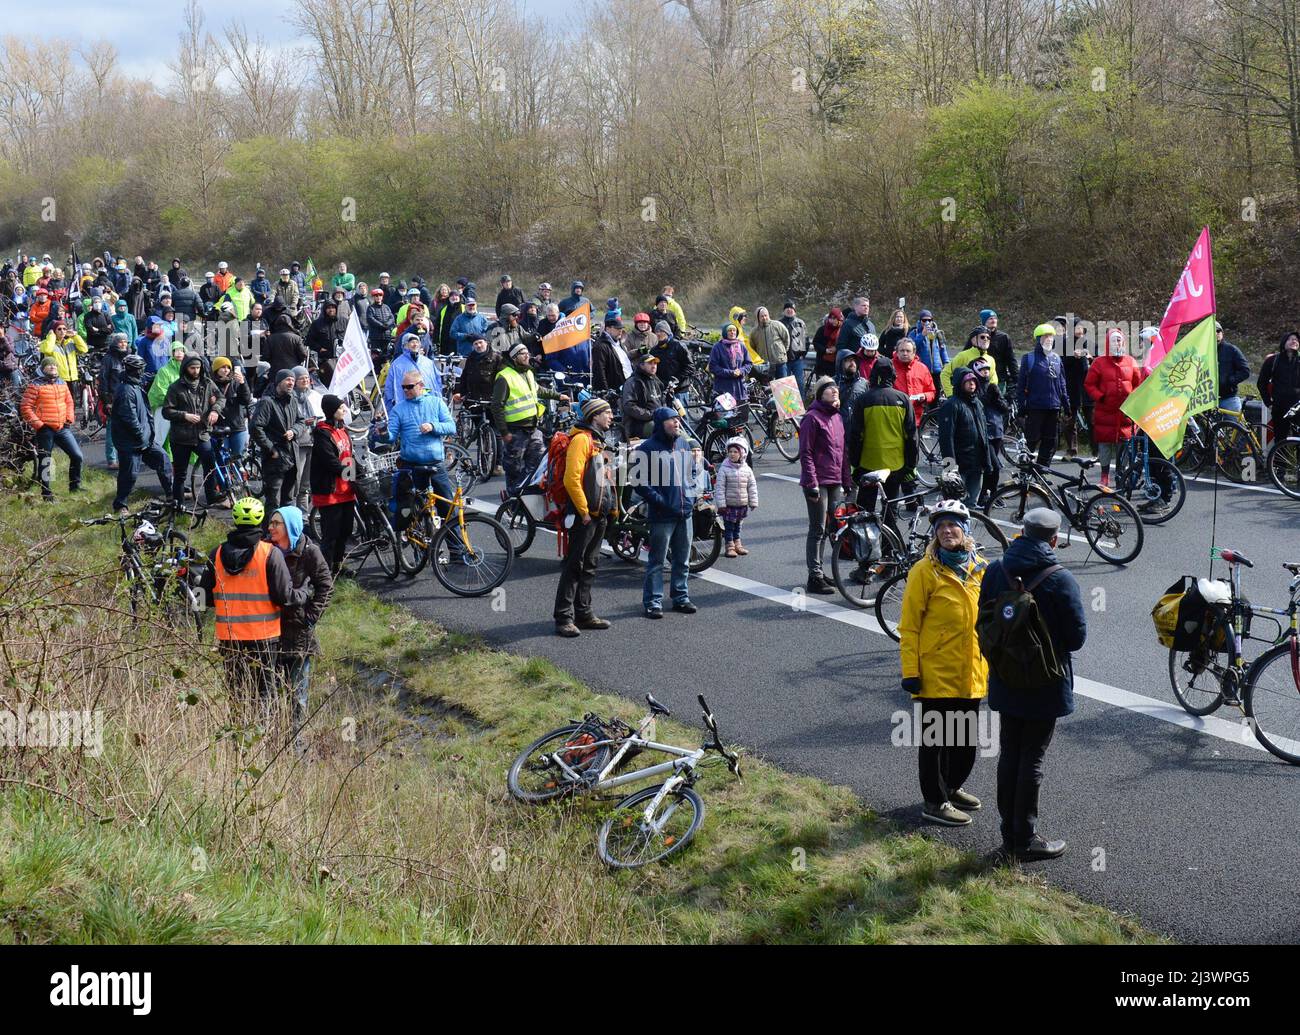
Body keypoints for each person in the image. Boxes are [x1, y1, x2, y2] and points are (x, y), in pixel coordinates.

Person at [979, 508, 1085, 861]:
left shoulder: (996, 570)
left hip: (1006, 677)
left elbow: (984, 621)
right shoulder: (1061, 578)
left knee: (1009, 753)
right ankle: (1024, 840)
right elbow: (1075, 639)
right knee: (1032, 758)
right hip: (1045, 682)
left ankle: (1008, 833)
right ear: (1054, 539)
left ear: (1021, 532)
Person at [898, 500, 988, 827]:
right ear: (935, 534)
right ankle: (934, 802)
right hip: (935, 671)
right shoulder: (924, 572)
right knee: (936, 741)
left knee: (963, 741)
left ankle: (951, 786)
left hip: (971, 669)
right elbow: (909, 626)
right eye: (941, 527)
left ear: (965, 530)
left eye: (954, 525)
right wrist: (910, 671)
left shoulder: (981, 568)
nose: (948, 531)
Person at [201, 497, 312, 719]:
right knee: (263, 694)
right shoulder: (270, 554)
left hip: (229, 638)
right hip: (264, 638)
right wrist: (305, 593)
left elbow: (204, 598)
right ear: (260, 520)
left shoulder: (217, 555)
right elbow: (285, 597)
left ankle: (239, 741)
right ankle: (263, 744)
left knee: (237, 693)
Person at [268, 505, 333, 751]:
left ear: (291, 527)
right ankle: (273, 745)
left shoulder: (310, 552)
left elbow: (326, 586)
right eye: (271, 523)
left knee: (297, 697)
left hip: (298, 637)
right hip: (270, 635)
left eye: (277, 523)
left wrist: (310, 617)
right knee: (271, 695)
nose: (271, 527)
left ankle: (296, 746)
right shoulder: (266, 550)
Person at [553, 398, 619, 637]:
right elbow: (571, 478)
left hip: (597, 513)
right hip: (585, 515)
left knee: (589, 565)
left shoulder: (598, 440)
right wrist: (583, 512)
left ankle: (584, 613)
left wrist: (611, 509)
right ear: (594, 416)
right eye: (607, 412)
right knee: (574, 565)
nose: (611, 416)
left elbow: (605, 479)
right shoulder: (581, 439)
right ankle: (563, 617)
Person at [633, 407, 701, 618]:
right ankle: (653, 602)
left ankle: (681, 597)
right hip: (662, 515)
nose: (677, 424)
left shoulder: (682, 444)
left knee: (682, 559)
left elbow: (691, 471)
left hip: (685, 513)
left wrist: (691, 497)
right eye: (672, 421)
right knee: (657, 561)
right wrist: (661, 502)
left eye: (678, 420)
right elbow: (639, 482)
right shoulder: (647, 448)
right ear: (661, 424)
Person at [375, 368, 457, 527]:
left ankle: (457, 550)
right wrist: (383, 432)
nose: (405, 390)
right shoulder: (399, 408)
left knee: (447, 509)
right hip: (410, 465)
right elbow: (391, 436)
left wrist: (433, 426)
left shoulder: (436, 402)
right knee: (405, 510)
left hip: (435, 463)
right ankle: (410, 539)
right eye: (403, 387)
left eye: (409, 386)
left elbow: (451, 427)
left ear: (421, 385)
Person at [798, 377, 852, 595]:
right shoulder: (811, 418)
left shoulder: (837, 417)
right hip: (818, 481)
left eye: (836, 389)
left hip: (835, 480)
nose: (835, 392)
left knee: (832, 529)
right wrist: (811, 482)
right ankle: (814, 576)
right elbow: (806, 453)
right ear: (820, 394)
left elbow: (843, 452)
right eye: (830, 389)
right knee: (818, 528)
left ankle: (820, 572)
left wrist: (847, 480)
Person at [491, 343, 569, 493]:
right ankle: (512, 498)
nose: (527, 356)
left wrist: (558, 395)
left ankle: (527, 495)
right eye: (522, 353)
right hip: (515, 430)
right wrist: (504, 431)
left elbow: (538, 389)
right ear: (514, 358)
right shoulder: (504, 377)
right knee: (513, 467)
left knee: (538, 462)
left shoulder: (528, 372)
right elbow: (497, 406)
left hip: (533, 428)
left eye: (527, 352)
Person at [849, 360, 917, 512]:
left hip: (868, 464)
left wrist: (855, 463)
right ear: (893, 376)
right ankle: (888, 535)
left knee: (865, 511)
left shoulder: (863, 400)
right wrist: (910, 465)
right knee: (890, 511)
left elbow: (856, 436)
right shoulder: (904, 399)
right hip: (895, 465)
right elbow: (911, 436)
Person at [110, 355, 172, 513]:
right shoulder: (125, 390)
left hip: (145, 439)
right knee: (129, 474)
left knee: (163, 460)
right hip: (130, 442)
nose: (143, 371)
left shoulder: (136, 385)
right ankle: (120, 504)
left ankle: (171, 495)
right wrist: (141, 436)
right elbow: (129, 419)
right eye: (140, 369)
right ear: (134, 370)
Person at [1083, 329, 1143, 489]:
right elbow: (1089, 384)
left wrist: (1133, 398)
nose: (1118, 343)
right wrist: (1101, 396)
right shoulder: (1099, 363)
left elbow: (1138, 384)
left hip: (1125, 414)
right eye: (1115, 340)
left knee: (1123, 448)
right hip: (1105, 413)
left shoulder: (1131, 362)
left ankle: (1121, 476)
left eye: (1120, 340)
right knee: (1104, 447)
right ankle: (1104, 475)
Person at [163, 353, 224, 507]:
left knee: (210, 467)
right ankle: (178, 507)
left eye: (198, 368)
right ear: (185, 368)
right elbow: (166, 411)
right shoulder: (175, 387)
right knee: (180, 475)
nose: (196, 371)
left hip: (202, 434)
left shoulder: (207, 383)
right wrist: (184, 416)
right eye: (192, 368)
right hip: (181, 438)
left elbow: (221, 398)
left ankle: (211, 498)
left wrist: (215, 410)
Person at [21, 356, 81, 500]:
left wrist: (69, 418)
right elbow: (25, 407)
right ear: (43, 369)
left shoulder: (62, 383)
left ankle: (75, 486)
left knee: (77, 456)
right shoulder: (35, 385)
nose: (53, 367)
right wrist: (39, 424)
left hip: (62, 427)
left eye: (54, 365)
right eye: (49, 366)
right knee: (46, 460)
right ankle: (47, 493)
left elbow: (69, 402)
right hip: (45, 429)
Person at [311, 394, 357, 576]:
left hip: (346, 491)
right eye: (340, 408)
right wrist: (350, 475)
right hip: (330, 492)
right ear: (331, 411)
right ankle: (325, 572)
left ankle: (338, 564)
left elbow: (348, 456)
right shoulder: (323, 433)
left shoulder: (343, 430)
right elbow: (330, 462)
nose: (344, 410)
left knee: (345, 531)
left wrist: (358, 471)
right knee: (331, 534)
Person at [252, 369, 302, 512]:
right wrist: (271, 449)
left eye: (293, 380)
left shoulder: (293, 399)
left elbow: (301, 421)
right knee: (273, 501)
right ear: (279, 382)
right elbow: (255, 427)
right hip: (275, 459)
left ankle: (285, 533)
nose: (291, 383)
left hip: (292, 456)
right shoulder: (267, 402)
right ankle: (268, 532)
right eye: (288, 380)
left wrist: (294, 431)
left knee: (288, 500)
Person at [1018, 323, 1068, 467]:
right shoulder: (1029, 358)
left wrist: (1067, 405)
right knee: (1031, 441)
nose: (1049, 339)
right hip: (1035, 407)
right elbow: (1021, 386)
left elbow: (1062, 384)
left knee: (1050, 441)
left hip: (1053, 408)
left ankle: (1042, 471)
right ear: (1038, 339)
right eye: (1045, 336)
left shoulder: (1057, 359)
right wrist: (1022, 407)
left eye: (1051, 336)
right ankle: (1025, 471)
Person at [970, 357, 1008, 504]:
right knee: (994, 466)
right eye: (982, 370)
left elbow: (1004, 409)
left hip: (997, 430)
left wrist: (998, 397)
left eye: (987, 370)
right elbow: (976, 406)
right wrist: (987, 397)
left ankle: (989, 495)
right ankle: (988, 495)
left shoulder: (993, 386)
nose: (985, 372)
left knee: (991, 467)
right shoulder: (974, 388)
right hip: (984, 433)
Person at [714, 436, 758, 558]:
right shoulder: (724, 469)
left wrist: (753, 502)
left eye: (735, 452)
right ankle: (730, 546)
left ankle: (737, 544)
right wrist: (721, 504)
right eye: (730, 452)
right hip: (729, 505)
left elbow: (752, 486)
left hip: (741, 504)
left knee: (738, 526)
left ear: (742, 454)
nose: (732, 454)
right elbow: (720, 488)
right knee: (729, 527)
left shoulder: (747, 469)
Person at [1260, 331, 1300, 446]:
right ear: (1284, 342)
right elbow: (1261, 383)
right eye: (1290, 339)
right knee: (1281, 441)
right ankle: (1277, 464)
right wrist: (1269, 403)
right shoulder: (1273, 361)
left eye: (1296, 340)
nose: (1294, 341)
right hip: (1280, 408)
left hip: (1298, 407)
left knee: (1298, 441)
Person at [99, 332, 132, 469]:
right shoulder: (108, 358)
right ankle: (112, 460)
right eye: (120, 342)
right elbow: (103, 380)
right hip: (113, 398)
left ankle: (123, 458)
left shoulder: (129, 357)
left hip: (128, 398)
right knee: (112, 431)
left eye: (125, 341)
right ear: (115, 343)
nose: (123, 344)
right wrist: (106, 400)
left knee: (127, 430)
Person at [292, 367, 323, 512]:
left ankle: (303, 515)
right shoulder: (291, 398)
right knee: (295, 482)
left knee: (306, 484)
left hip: (314, 441)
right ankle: (292, 513)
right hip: (299, 443)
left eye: (306, 377)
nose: (305, 380)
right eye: (301, 378)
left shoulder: (315, 396)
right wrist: (305, 422)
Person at [1061, 319, 1091, 456]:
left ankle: (1096, 451)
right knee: (1069, 421)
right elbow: (1061, 363)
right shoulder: (1065, 344)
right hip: (1071, 387)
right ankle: (1071, 450)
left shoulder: (1090, 342)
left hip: (1088, 388)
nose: (1079, 330)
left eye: (1081, 327)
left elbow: (1098, 361)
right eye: (1076, 327)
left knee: (1092, 420)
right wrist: (1072, 356)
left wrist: (1089, 357)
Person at [892, 337, 936, 429]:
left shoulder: (922, 368)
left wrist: (925, 396)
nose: (905, 353)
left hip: (916, 418)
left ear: (914, 352)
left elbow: (932, 392)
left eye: (908, 351)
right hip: (893, 417)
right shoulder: (889, 367)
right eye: (902, 350)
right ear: (897, 352)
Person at [941, 327, 998, 395]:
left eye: (988, 337)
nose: (986, 339)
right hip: (965, 400)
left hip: (984, 401)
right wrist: (950, 394)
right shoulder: (963, 356)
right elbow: (945, 374)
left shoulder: (991, 359)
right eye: (982, 337)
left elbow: (993, 381)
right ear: (973, 340)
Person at [620, 351, 665, 439]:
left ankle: (692, 448)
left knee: (675, 427)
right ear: (641, 365)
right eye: (650, 363)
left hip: (657, 419)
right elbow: (629, 407)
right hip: (639, 425)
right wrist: (651, 415)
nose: (654, 366)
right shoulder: (633, 382)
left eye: (655, 363)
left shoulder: (656, 381)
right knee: (663, 429)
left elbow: (662, 402)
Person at [707, 322, 752, 405]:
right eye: (730, 330)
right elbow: (713, 367)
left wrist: (741, 371)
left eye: (734, 330)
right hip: (723, 389)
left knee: (741, 415)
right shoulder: (717, 347)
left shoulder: (741, 346)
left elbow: (748, 363)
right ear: (725, 333)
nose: (732, 332)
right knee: (725, 416)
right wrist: (731, 373)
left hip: (740, 389)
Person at [1214, 322, 1251, 412]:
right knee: (1208, 426)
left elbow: (1245, 370)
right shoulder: (1204, 351)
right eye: (1213, 331)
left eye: (1218, 331)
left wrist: (1229, 380)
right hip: (1207, 400)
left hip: (1229, 398)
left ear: (1222, 333)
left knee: (1235, 425)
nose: (1216, 333)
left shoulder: (1231, 349)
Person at [980, 309, 1017, 390]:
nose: (994, 320)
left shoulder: (1004, 337)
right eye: (990, 318)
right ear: (984, 321)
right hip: (980, 380)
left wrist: (1016, 378)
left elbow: (1011, 359)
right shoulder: (977, 336)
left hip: (1000, 380)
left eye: (995, 318)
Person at [751, 306, 791, 379]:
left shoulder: (777, 325)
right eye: (762, 316)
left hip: (779, 362)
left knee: (782, 387)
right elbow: (752, 347)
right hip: (765, 365)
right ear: (757, 318)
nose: (764, 318)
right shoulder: (754, 332)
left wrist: (783, 352)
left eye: (766, 315)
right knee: (768, 389)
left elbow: (786, 338)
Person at [909, 309, 949, 380]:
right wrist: (922, 335)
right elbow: (911, 348)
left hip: (937, 370)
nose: (927, 322)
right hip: (921, 370)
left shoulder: (937, 333)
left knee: (937, 390)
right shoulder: (914, 333)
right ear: (920, 321)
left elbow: (942, 349)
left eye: (929, 320)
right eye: (924, 320)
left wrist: (946, 362)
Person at [780, 301, 808, 389]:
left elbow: (806, 340)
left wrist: (803, 354)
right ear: (783, 311)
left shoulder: (800, 323)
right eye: (787, 308)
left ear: (794, 311)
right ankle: (787, 403)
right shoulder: (779, 324)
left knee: (799, 383)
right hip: (783, 360)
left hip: (797, 359)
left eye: (791, 308)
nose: (789, 309)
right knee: (785, 385)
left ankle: (802, 402)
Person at [810, 307, 843, 382]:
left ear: (839, 319)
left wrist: (836, 348)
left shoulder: (843, 330)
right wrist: (825, 350)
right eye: (831, 318)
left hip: (836, 364)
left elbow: (844, 344)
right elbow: (816, 343)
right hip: (822, 364)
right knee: (822, 386)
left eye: (835, 318)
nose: (832, 321)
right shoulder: (822, 329)